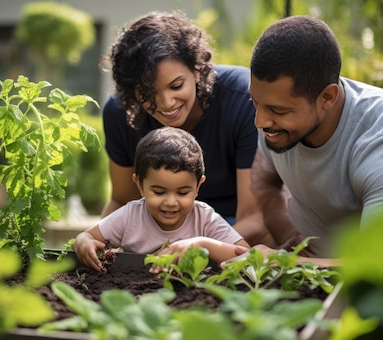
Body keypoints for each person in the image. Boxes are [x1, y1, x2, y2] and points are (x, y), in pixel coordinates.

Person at [229, 15, 383, 266]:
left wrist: (287, 262)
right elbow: (265, 180)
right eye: (255, 103)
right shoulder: (276, 121)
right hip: (333, 269)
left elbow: (379, 264)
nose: (260, 121)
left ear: (327, 97)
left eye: (278, 110)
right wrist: (289, 235)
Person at [99, 10, 273, 246]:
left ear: (197, 69)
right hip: (157, 230)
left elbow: (255, 219)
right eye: (148, 93)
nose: (166, 103)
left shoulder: (243, 100)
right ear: (131, 91)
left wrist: (195, 250)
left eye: (176, 86)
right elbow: (121, 201)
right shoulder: (120, 114)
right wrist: (98, 247)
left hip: (231, 228)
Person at [74, 127, 250, 272]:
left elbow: (246, 255)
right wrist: (83, 242)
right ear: (140, 185)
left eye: (182, 193)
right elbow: (88, 236)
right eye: (159, 192)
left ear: (198, 186)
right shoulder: (130, 216)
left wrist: (202, 245)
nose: (171, 202)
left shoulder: (204, 218)